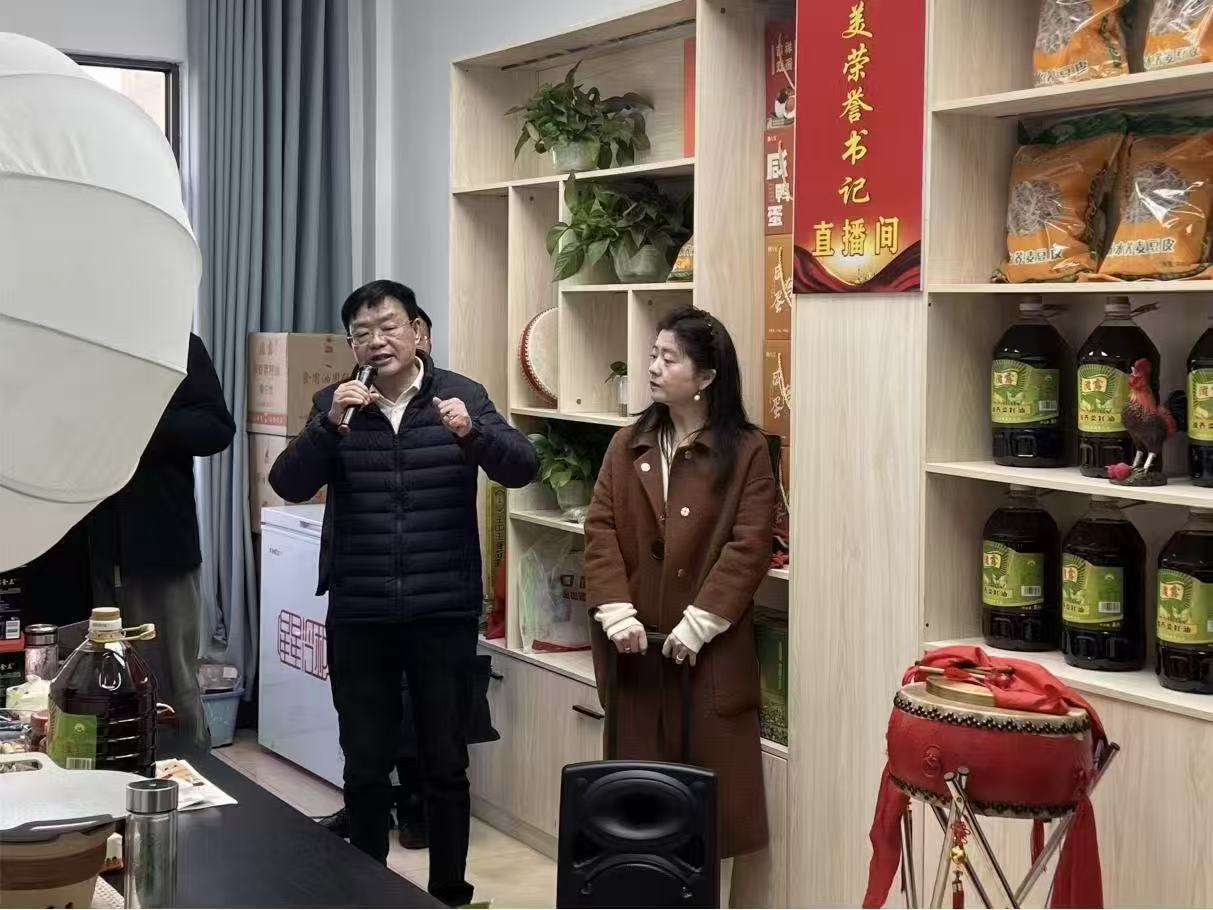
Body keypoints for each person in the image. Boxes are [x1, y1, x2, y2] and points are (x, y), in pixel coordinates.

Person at [269, 279, 536, 907]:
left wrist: (472, 434)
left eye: (388, 326)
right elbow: (288, 484)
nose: (376, 341)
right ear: (352, 347)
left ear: (419, 332)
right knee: (364, 762)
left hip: (442, 609)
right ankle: (369, 891)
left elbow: (521, 467)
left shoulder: (462, 396)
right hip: (360, 611)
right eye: (362, 333)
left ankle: (449, 893)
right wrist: (329, 426)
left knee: (444, 761)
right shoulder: (335, 405)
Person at [583, 305, 774, 906]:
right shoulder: (627, 443)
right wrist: (616, 611)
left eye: (669, 359)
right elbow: (600, 530)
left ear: (707, 376)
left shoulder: (747, 450)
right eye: (653, 355)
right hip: (636, 654)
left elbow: (750, 546)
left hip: (709, 657)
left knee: (709, 812)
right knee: (636, 809)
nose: (653, 368)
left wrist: (699, 624)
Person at [86, 332, 236, 749]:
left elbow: (215, 428)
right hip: (73, 545)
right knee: (77, 687)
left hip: (155, 546)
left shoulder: (173, 340)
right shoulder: (64, 338)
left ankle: (184, 777)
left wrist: (139, 421)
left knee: (167, 686)